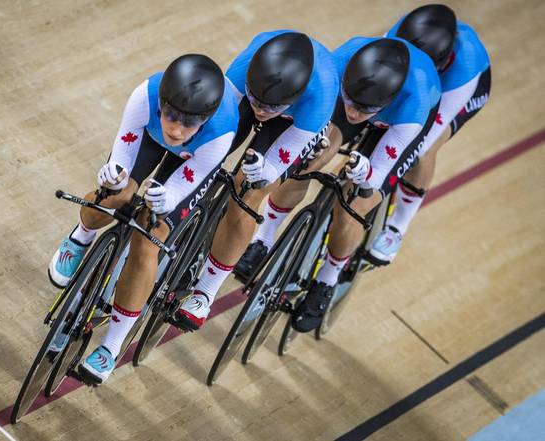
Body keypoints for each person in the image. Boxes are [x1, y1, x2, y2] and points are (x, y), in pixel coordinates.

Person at [48, 53, 240, 384]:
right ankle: (81, 236)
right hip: (145, 141)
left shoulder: (221, 131)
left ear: (204, 121)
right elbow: (122, 158)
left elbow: (184, 184)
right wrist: (116, 179)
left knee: (150, 233)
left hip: (190, 166)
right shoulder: (144, 96)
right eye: (171, 116)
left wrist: (166, 198)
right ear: (161, 103)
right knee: (115, 195)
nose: (177, 129)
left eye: (189, 123)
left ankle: (111, 346)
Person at [235, 36, 442, 332]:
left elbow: (376, 176)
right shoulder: (339, 63)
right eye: (352, 102)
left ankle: (327, 280)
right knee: (306, 162)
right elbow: (321, 119)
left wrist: (362, 175)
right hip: (350, 97)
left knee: (354, 202)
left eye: (364, 110)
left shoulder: (414, 105)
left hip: (401, 123)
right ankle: (263, 239)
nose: (355, 114)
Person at [172, 30, 339, 331]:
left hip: (295, 123)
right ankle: (185, 227)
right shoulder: (243, 69)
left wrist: (262, 170)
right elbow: (217, 125)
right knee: (205, 154)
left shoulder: (321, 96)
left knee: (248, 192)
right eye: (258, 103)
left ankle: (205, 292)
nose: (262, 112)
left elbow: (273, 168)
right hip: (249, 96)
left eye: (271, 108)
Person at [369, 4, 491, 264]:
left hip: (457, 88)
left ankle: (397, 227)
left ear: (442, 61)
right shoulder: (395, 36)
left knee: (423, 150)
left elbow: (429, 131)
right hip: (410, 69)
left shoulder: (465, 64)